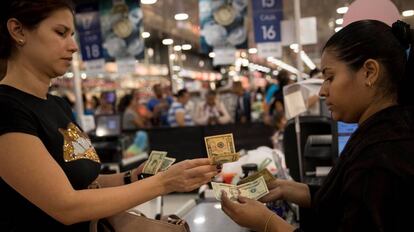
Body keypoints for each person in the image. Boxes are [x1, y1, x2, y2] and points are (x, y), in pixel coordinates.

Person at [0, 1, 217, 231]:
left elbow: (83, 182)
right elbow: (65, 205)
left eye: (72, 35)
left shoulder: (58, 105)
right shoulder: (6, 108)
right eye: (60, 33)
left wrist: (132, 176)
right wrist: (164, 182)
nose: (73, 46)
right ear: (18, 30)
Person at [220, 20, 414, 231]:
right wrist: (292, 189)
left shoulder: (381, 157)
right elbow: (348, 202)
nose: (322, 91)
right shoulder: (383, 132)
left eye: (330, 77)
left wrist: (268, 223)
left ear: (369, 72)